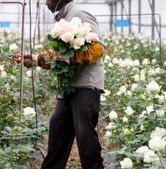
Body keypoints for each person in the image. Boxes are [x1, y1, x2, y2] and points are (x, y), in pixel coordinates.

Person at [22, 0, 105, 168]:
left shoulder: (79, 15)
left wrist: (71, 57)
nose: (45, 2)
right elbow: (59, 54)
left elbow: (98, 48)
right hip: (68, 87)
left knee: (85, 136)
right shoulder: (63, 18)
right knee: (58, 128)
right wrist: (36, 60)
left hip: (86, 85)